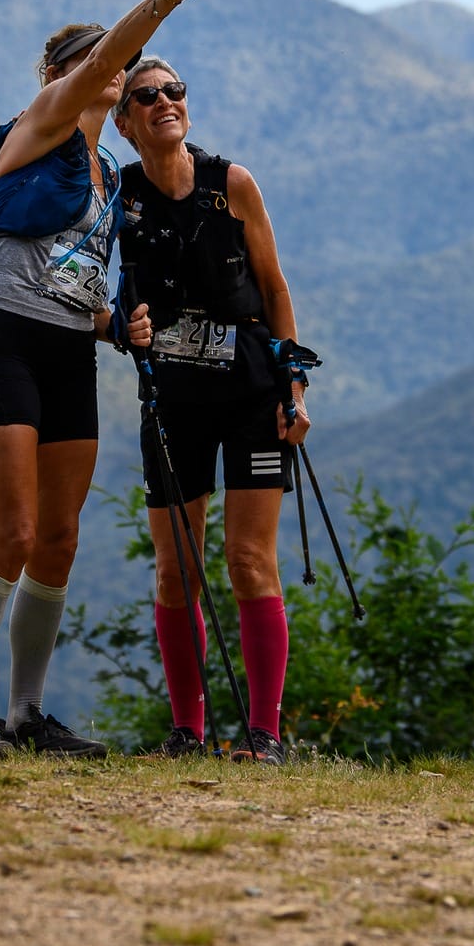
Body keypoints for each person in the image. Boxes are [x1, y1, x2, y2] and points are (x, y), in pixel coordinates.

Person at [0, 0, 246, 756]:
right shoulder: (39, 126)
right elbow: (106, 56)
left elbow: (76, 273)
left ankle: (25, 716)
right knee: (14, 533)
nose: (118, 68)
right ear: (65, 76)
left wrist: (119, 323)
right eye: (102, 60)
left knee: (61, 539)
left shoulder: (107, 170)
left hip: (69, 342)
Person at [110, 54, 310, 765]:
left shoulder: (234, 185)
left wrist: (294, 385)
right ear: (125, 121)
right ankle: (188, 733)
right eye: (147, 96)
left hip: (252, 390)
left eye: (176, 90)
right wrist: (116, 325)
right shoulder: (117, 193)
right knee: (175, 569)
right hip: (172, 397)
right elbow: (93, 286)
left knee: (249, 557)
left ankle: (265, 735)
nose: (166, 100)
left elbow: (275, 289)